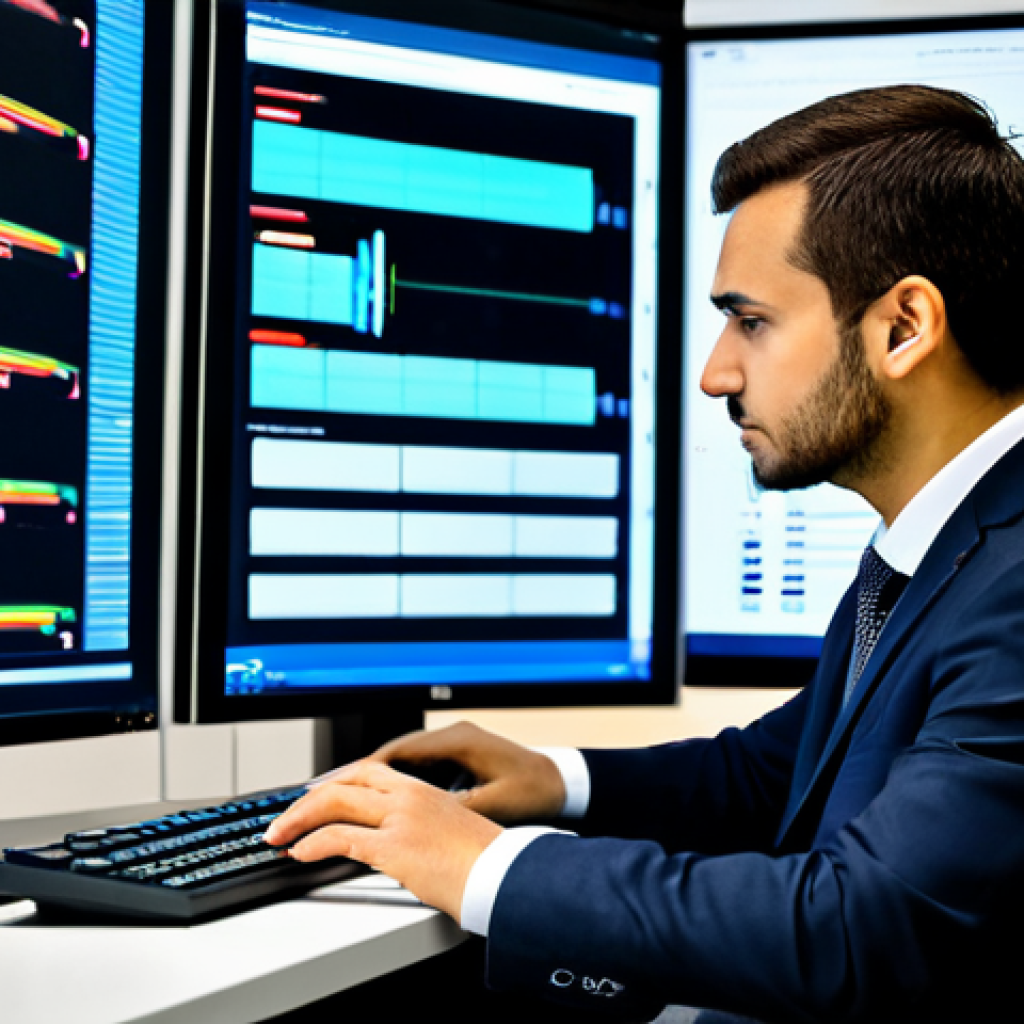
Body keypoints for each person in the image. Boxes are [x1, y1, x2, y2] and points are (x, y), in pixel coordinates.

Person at [265, 85, 1024, 1023]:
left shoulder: (1015, 584)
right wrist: (560, 780)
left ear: (903, 328)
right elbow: (781, 771)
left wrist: (481, 863)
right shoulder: (949, 548)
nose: (716, 373)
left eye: (751, 321)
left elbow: (860, 930)